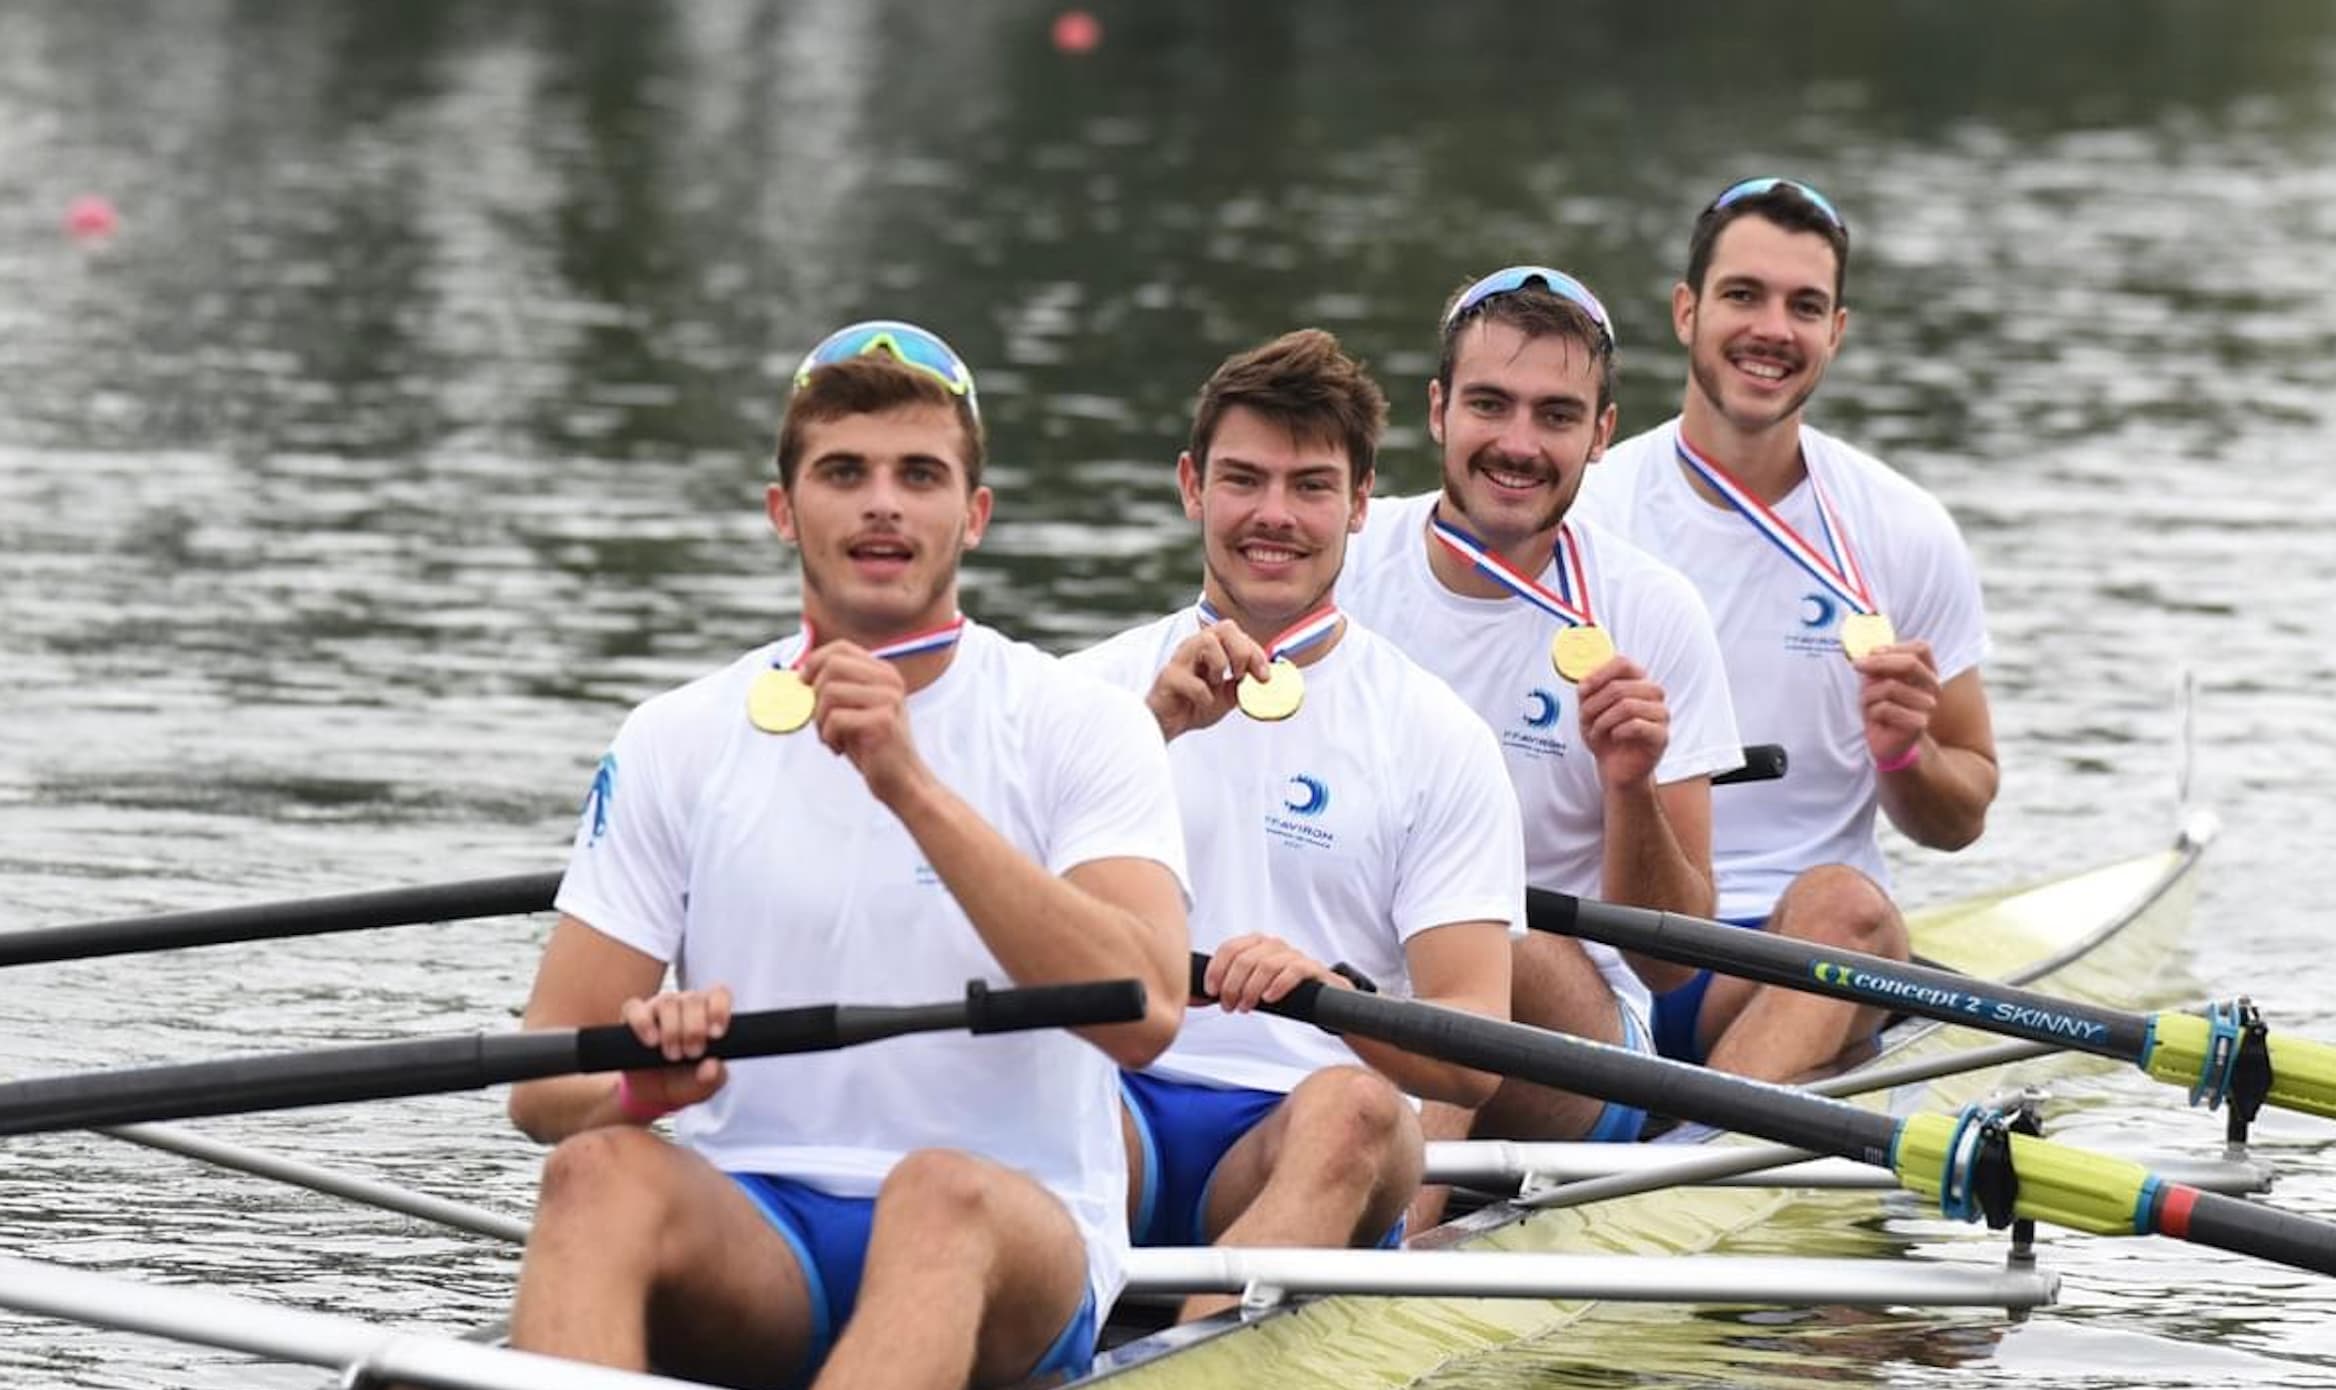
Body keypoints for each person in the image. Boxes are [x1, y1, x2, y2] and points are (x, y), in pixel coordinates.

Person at [504, 321, 1191, 1390]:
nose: (881, 502)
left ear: (973, 515)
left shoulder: (1081, 723)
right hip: (762, 1234)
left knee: (936, 1191)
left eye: (919, 474)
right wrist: (636, 1090)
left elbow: (1146, 1012)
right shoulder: (675, 736)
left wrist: (908, 786)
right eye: (843, 472)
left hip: (1007, 1232)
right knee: (594, 1174)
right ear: (785, 512)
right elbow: (542, 1091)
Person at [1068, 329, 1521, 1317]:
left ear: (1360, 505)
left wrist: (1334, 990)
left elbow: (1476, 1055)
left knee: (1356, 1107)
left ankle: (1183, 1360)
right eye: (1242, 480)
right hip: (1114, 1118)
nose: (1272, 516)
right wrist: (1140, 737)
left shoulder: (1435, 734)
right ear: (1191, 485)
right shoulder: (1082, 696)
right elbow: (960, 936)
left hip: (1307, 1130)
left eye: (1310, 486)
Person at [1574, 178, 1997, 1084]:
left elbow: (1964, 815)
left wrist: (1906, 755)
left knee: (1850, 906)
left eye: (1805, 306)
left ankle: (1688, 1169)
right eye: (1742, 296)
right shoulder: (1583, 512)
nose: (1773, 329)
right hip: (1598, 949)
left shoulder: (1903, 529)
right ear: (1687, 311)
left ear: (1835, 332)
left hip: (1792, 954)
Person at [1337, 267, 1743, 1154]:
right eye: (1491, 405)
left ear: (1601, 435)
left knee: (1483, 937)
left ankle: (1397, 1244)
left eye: (1555, 415)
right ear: (1440, 410)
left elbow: (1674, 962)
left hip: (1580, 1040)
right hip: (1343, 991)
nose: (1518, 443)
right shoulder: (1341, 566)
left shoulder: (1650, 611)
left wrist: (1630, 787)